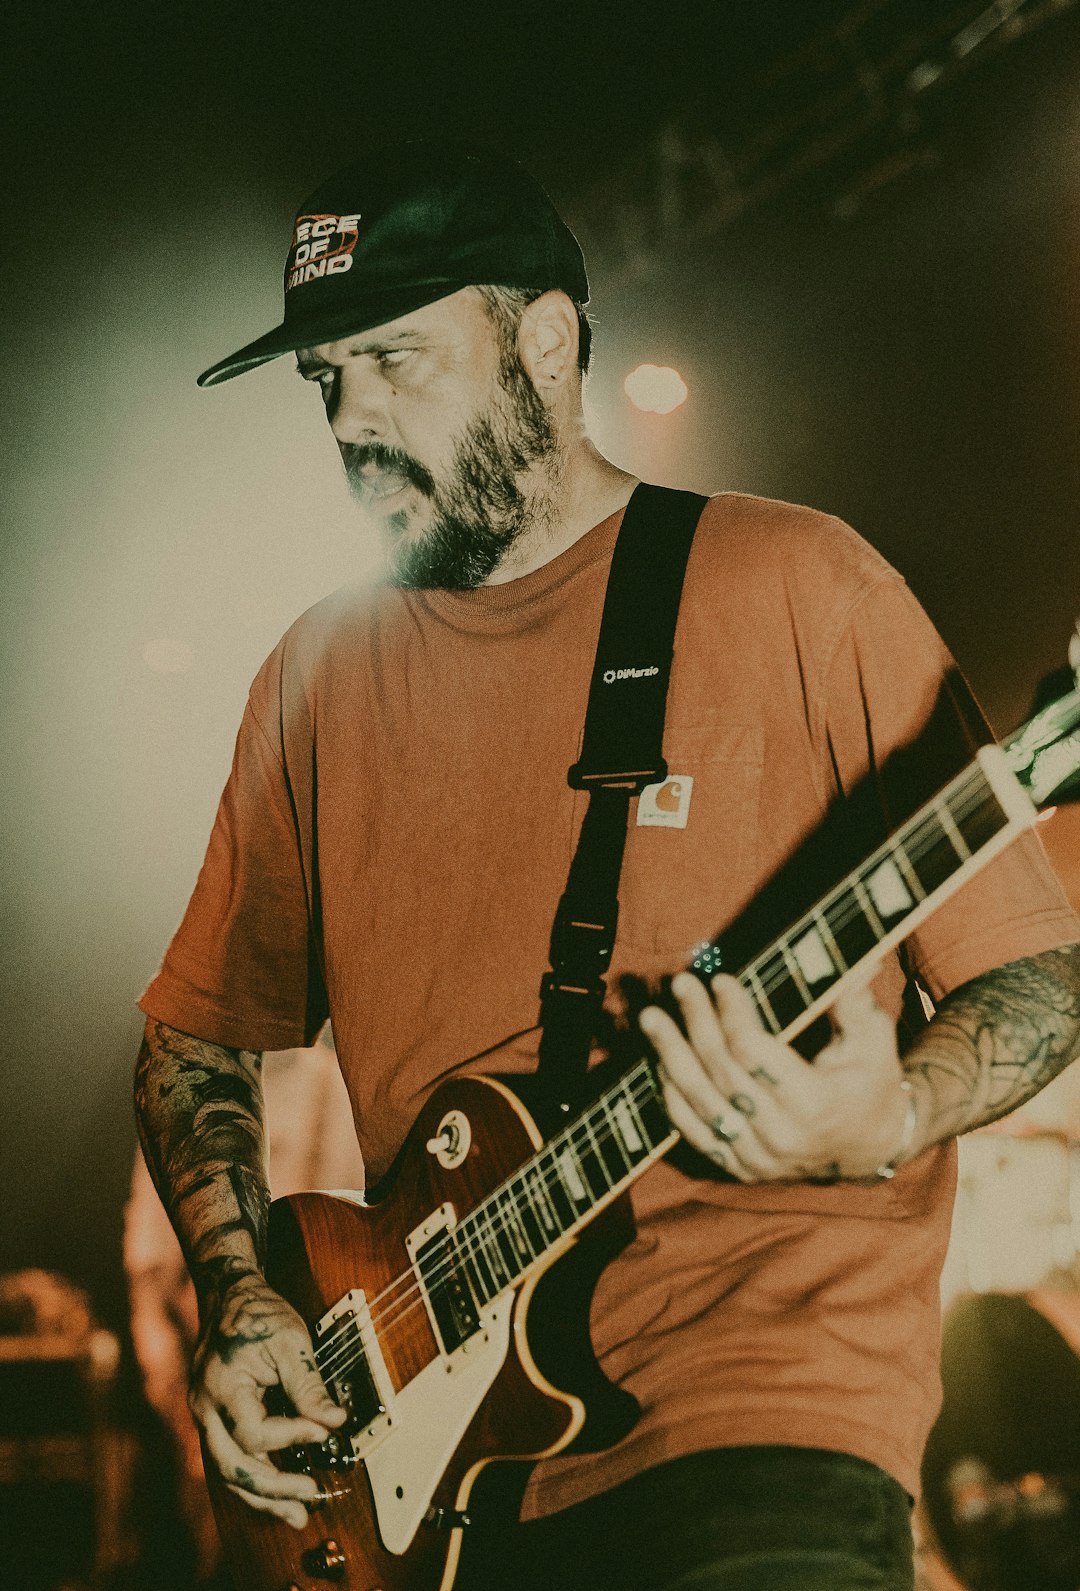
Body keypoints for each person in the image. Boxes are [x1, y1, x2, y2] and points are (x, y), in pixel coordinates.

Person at [133, 141, 1080, 1591]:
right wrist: (247, 1298)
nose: (354, 421)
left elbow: (1037, 969)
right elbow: (191, 1031)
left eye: (395, 358)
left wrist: (892, 1108)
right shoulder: (311, 680)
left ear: (548, 344)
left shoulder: (799, 583)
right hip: (439, 1467)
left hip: (763, 1406)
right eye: (326, 380)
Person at [124, 1028, 363, 1586]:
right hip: (219, 1387)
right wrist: (178, 1409)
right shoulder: (191, 1092)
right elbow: (149, 1280)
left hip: (327, 1378)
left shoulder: (342, 1088)